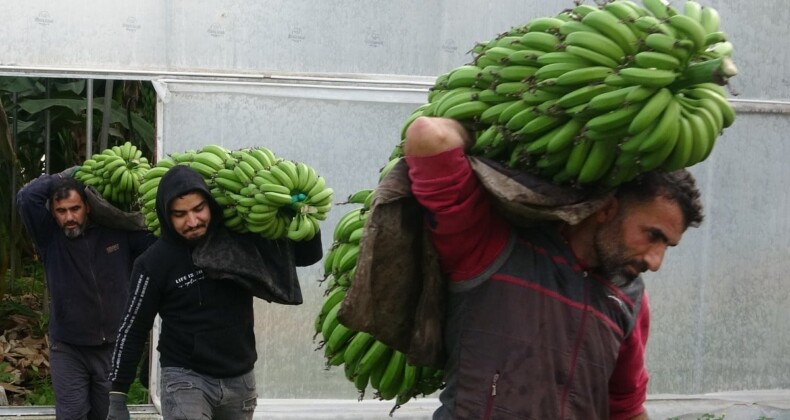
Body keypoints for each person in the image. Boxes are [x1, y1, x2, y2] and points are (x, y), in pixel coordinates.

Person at [402, 116, 704, 420]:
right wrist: (503, 134)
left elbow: (625, 408)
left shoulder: (628, 296)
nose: (655, 261)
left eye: (667, 246)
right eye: (652, 235)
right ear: (608, 209)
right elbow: (429, 136)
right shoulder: (489, 246)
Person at [106, 165, 323, 420]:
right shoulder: (154, 263)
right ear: (166, 215)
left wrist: (300, 215)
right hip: (186, 378)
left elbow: (307, 257)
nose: (193, 221)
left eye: (199, 209)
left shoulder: (237, 241)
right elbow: (133, 327)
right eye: (180, 214)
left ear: (210, 204)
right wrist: (118, 394)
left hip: (240, 378)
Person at [16, 169, 155, 420]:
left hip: (112, 348)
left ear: (88, 207)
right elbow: (27, 197)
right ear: (53, 213)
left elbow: (155, 238)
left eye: (75, 208)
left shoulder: (116, 231)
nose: (69, 217)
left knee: (108, 416)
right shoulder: (50, 239)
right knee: (72, 416)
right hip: (69, 348)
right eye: (61, 211)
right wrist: (67, 176)